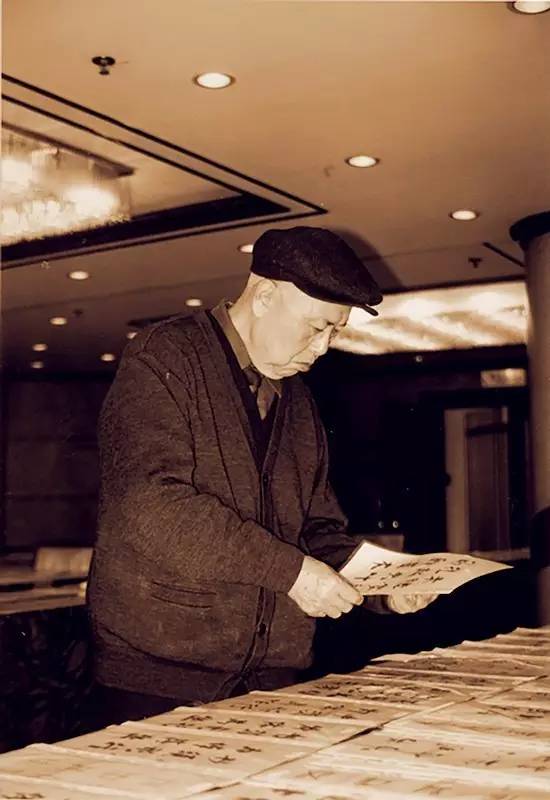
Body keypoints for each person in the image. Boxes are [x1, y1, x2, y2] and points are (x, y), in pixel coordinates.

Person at [86, 226, 434, 725]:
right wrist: (291, 573)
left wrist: (383, 584)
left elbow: (314, 531)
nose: (323, 347)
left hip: (270, 681)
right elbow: (151, 505)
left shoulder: (298, 401)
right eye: (316, 327)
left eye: (335, 332)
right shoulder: (164, 356)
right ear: (266, 295)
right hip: (157, 681)